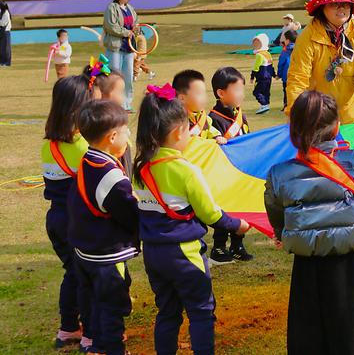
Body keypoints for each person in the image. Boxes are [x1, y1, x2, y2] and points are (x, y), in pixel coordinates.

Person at [133, 84, 249, 355]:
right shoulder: (187, 171)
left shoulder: (139, 168)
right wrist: (237, 225)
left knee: (167, 311)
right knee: (200, 311)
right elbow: (210, 214)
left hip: (153, 253)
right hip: (184, 255)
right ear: (178, 132)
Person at [265, 91, 354, 355]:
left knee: (307, 335)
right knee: (351, 334)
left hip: (306, 264)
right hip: (347, 261)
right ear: (337, 125)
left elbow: (275, 211)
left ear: (294, 129)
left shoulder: (281, 173)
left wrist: (283, 233)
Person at [69, 100, 138, 355]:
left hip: (85, 250)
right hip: (106, 255)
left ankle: (93, 342)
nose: (129, 135)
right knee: (112, 306)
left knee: (93, 300)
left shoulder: (87, 159)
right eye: (126, 131)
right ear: (112, 137)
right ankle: (112, 348)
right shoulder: (110, 176)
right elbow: (130, 215)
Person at [42, 75, 93, 351]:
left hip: (56, 219)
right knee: (84, 276)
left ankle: (68, 329)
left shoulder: (48, 143)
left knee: (71, 272)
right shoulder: (81, 147)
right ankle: (89, 335)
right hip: (78, 221)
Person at [208, 67, 254, 263]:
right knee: (223, 210)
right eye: (236, 90)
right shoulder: (212, 118)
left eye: (242, 90)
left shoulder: (240, 116)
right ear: (221, 93)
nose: (241, 95)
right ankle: (219, 246)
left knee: (240, 208)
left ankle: (237, 244)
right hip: (222, 174)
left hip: (240, 171)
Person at [103, 0, 137, 111]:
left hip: (128, 48)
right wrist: (126, 32)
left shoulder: (131, 9)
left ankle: (126, 104)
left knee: (128, 78)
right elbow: (111, 26)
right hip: (115, 48)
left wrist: (135, 30)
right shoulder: (111, 8)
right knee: (114, 77)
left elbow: (136, 24)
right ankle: (113, 104)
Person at [172, 70, 226, 144]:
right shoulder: (175, 120)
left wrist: (217, 136)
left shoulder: (204, 118)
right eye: (199, 93)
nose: (204, 97)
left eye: (204, 93)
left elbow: (211, 130)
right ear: (182, 98)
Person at [251, 33, 274, 114]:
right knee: (266, 91)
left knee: (256, 92)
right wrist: (274, 75)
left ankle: (264, 105)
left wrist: (252, 77)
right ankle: (266, 105)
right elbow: (271, 66)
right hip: (269, 77)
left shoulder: (259, 55)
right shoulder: (268, 54)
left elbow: (256, 67)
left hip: (262, 76)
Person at [277, 30, 296, 110]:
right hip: (298, 75)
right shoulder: (300, 48)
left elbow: (281, 64)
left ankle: (287, 105)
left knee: (286, 91)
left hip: (287, 75)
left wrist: (279, 74)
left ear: (287, 40)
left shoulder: (285, 51)